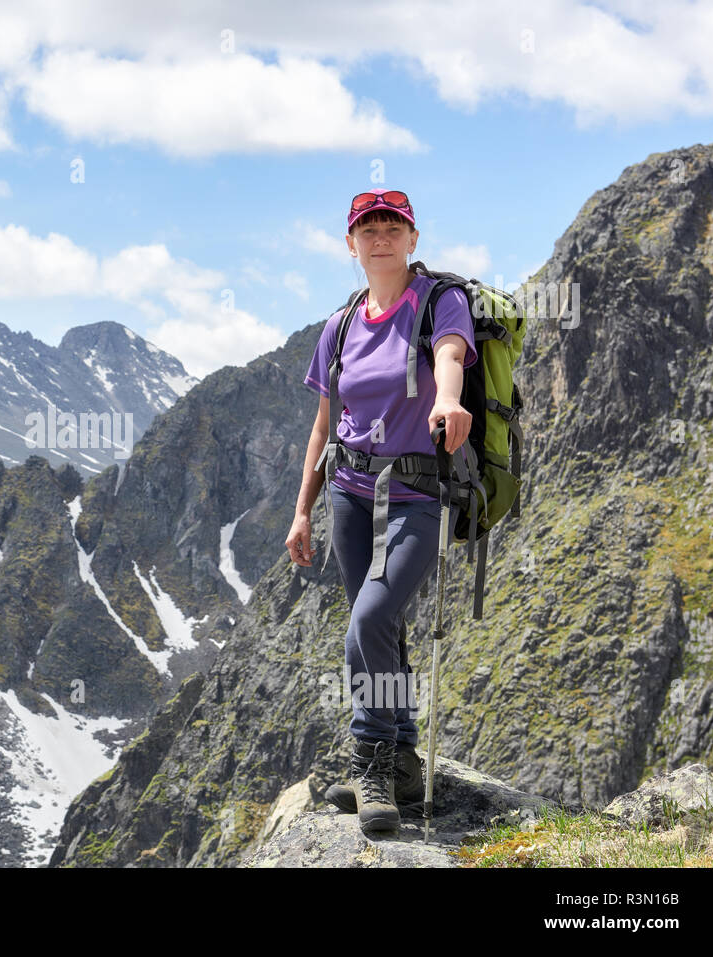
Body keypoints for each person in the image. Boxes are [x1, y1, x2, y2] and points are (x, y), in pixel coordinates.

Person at [284, 188, 477, 833]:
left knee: (367, 620)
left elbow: (450, 356)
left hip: (416, 494)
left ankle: (370, 761)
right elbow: (323, 427)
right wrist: (303, 510)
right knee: (380, 629)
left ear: (413, 239)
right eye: (368, 229)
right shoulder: (339, 327)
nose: (381, 238)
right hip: (348, 492)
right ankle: (402, 761)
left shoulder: (439, 302)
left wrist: (447, 401)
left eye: (394, 227)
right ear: (351, 245)